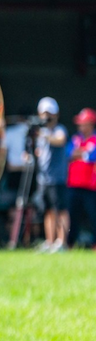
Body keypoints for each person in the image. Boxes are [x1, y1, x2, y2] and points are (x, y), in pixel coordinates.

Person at [33, 97, 68, 252]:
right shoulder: (40, 134)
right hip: (43, 179)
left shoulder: (59, 130)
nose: (46, 117)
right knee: (48, 210)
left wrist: (45, 134)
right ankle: (50, 241)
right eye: (43, 113)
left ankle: (62, 242)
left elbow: (60, 140)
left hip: (57, 178)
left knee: (60, 210)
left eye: (49, 113)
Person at [66, 107, 96, 248]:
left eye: (83, 123)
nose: (80, 126)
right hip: (74, 184)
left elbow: (92, 156)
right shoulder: (75, 139)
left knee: (93, 216)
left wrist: (80, 154)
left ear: (90, 124)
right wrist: (83, 153)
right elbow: (68, 154)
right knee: (72, 217)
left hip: (91, 186)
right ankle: (70, 244)